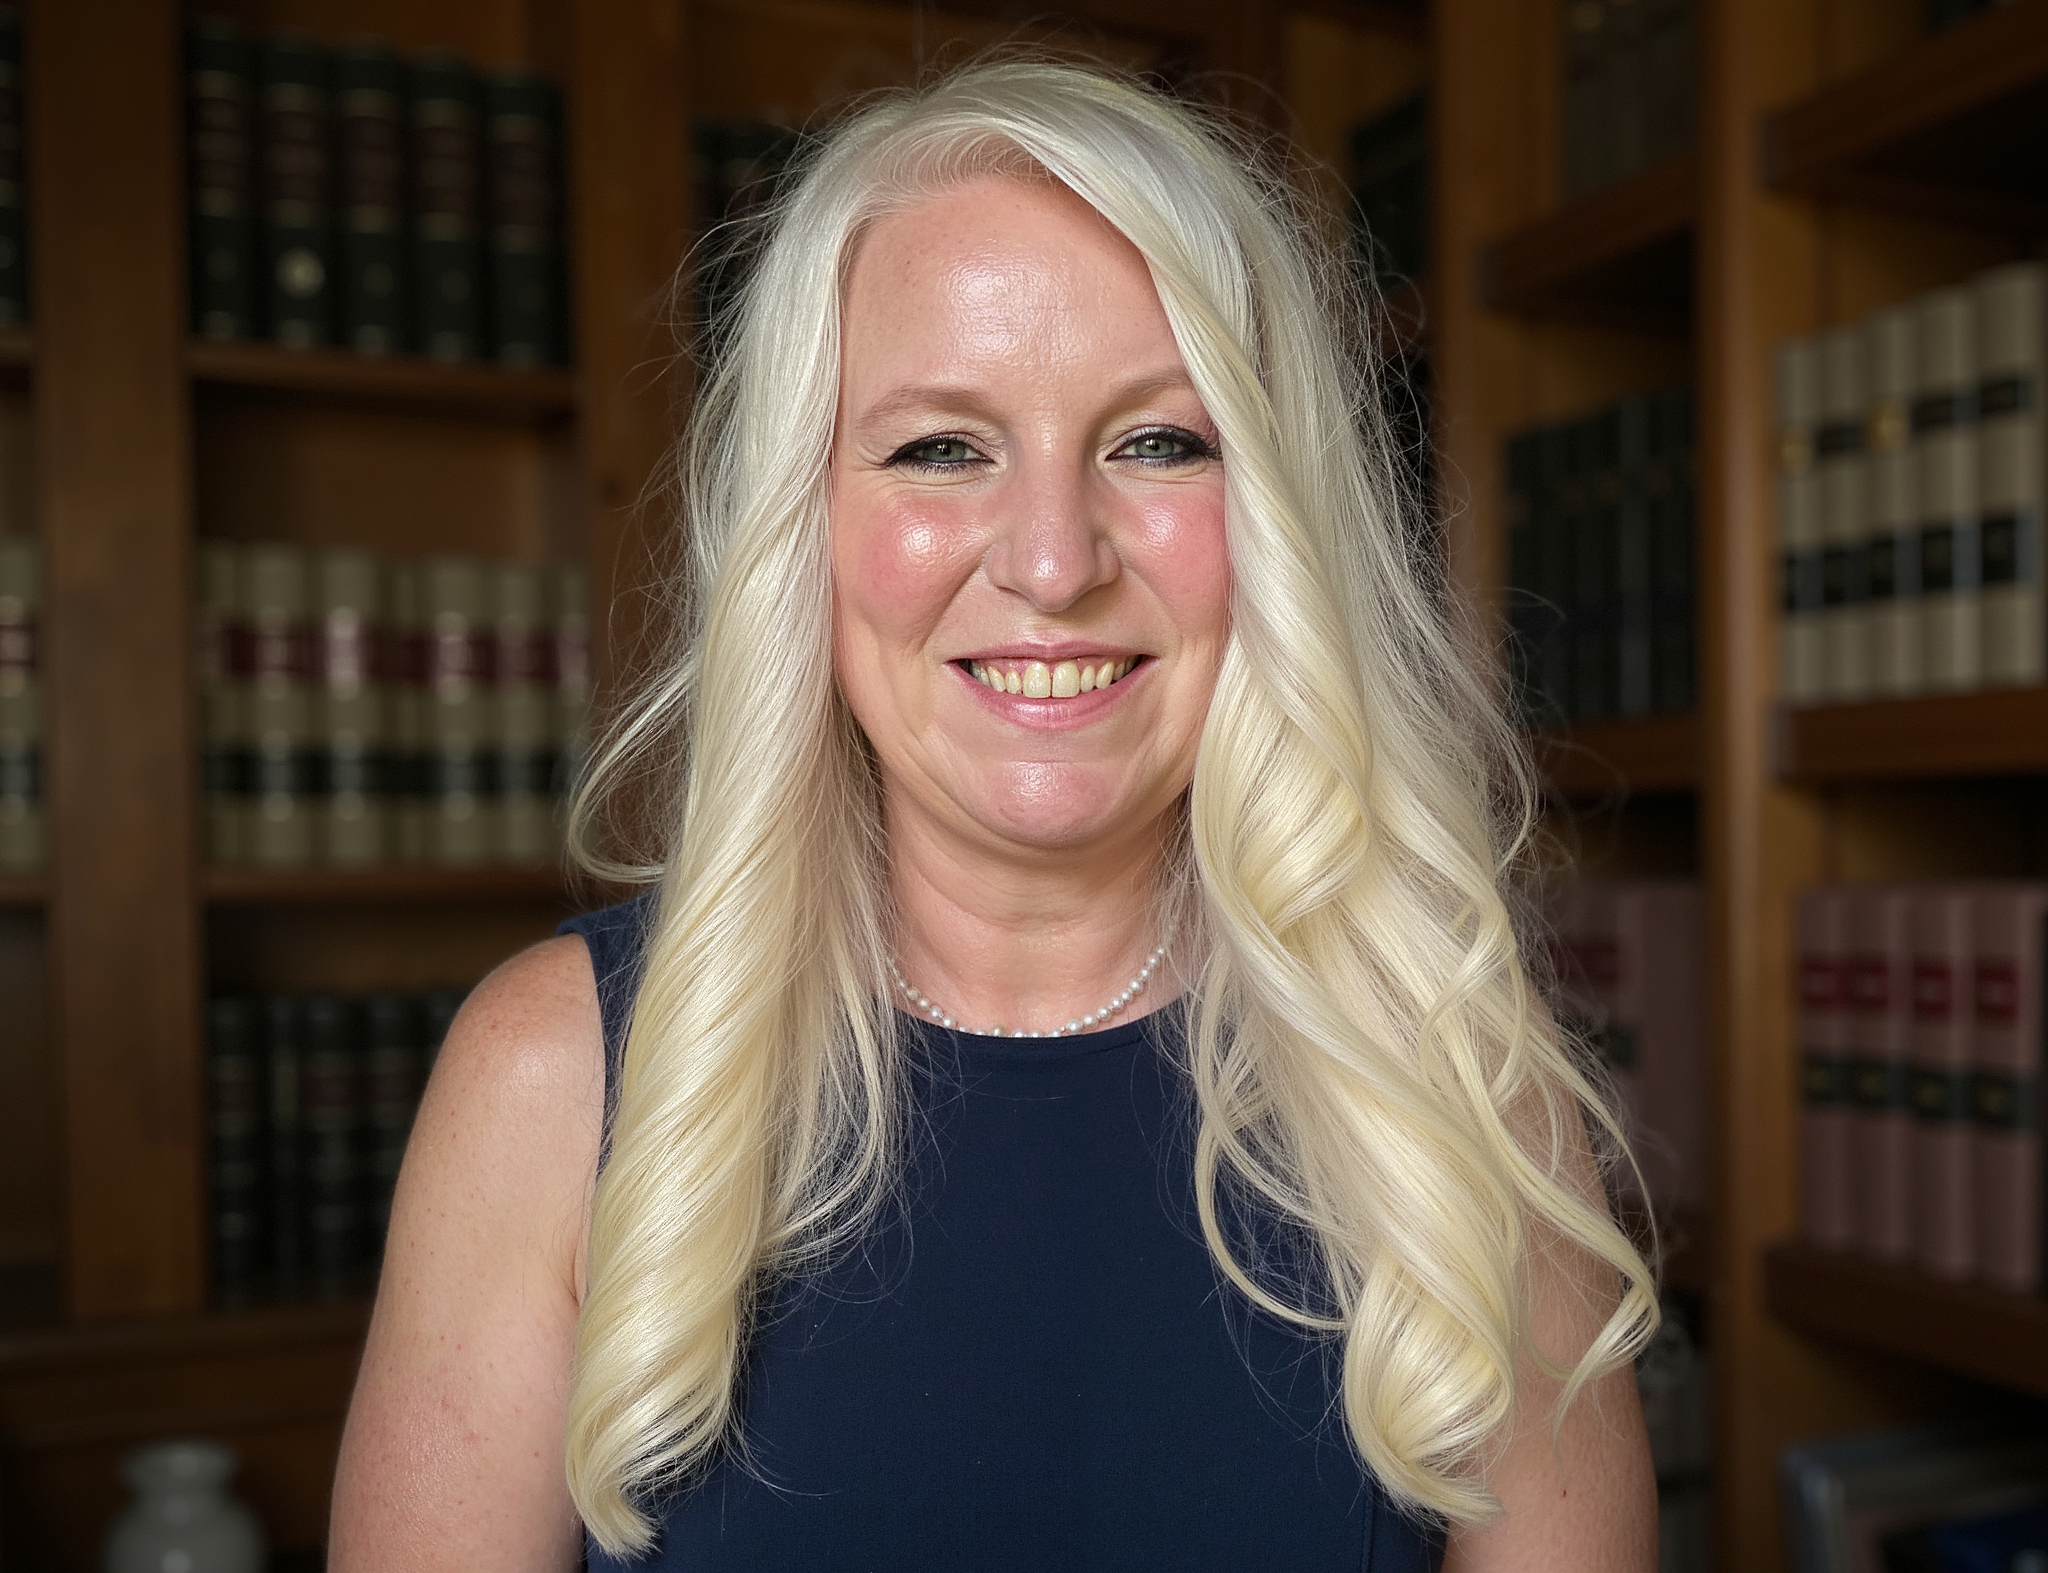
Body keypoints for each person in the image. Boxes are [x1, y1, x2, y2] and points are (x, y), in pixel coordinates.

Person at [331, 60, 1659, 1572]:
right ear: (802, 527)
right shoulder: (551, 1081)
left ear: (1285, 523)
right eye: (939, 447)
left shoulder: (1463, 1098)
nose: (1051, 558)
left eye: (1160, 441)